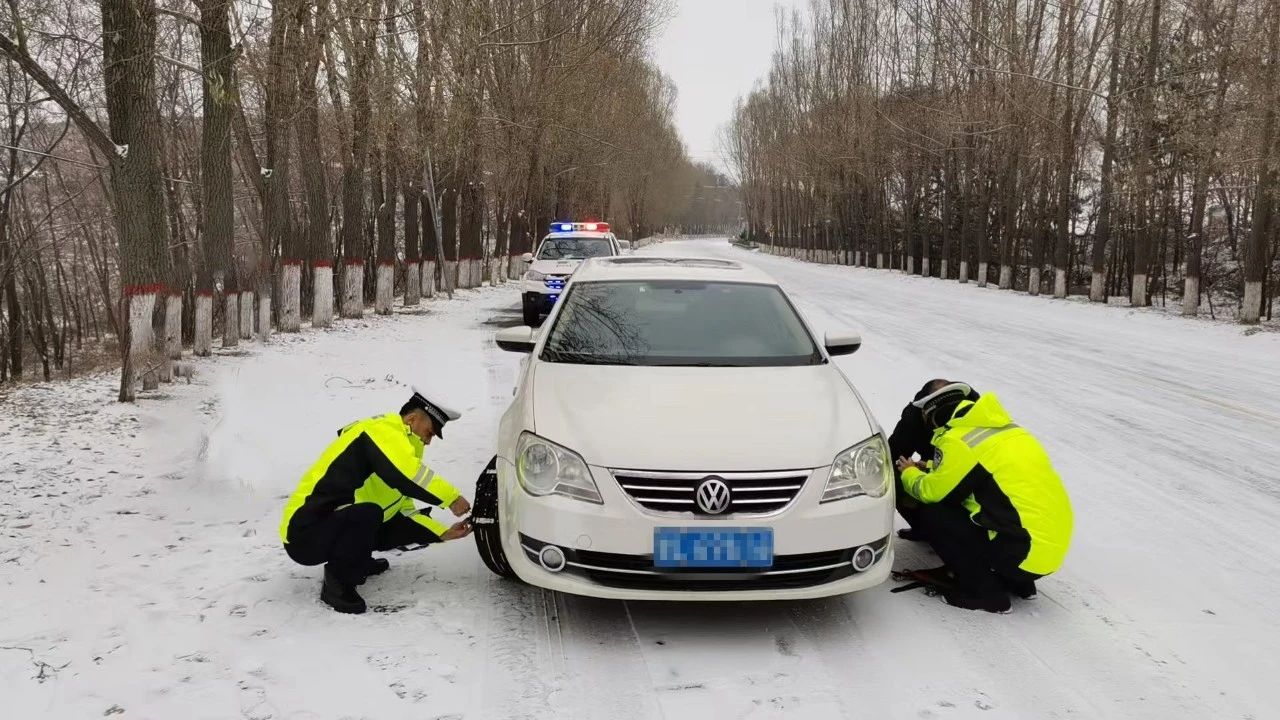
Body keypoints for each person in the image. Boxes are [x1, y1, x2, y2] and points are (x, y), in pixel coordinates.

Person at [280, 388, 475, 614]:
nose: (429, 441)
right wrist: (451, 498)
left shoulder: (391, 452)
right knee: (369, 514)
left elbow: (403, 509)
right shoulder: (382, 431)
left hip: (327, 526)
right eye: (430, 432)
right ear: (412, 419)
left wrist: (442, 533)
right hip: (303, 533)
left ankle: (357, 559)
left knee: (379, 516)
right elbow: (408, 475)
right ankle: (338, 583)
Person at [894, 380, 1073, 613]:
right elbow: (978, 471)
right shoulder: (1008, 431)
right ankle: (1019, 584)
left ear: (934, 414)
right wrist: (929, 466)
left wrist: (909, 472)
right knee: (997, 505)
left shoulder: (958, 439)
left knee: (934, 513)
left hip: (1019, 554)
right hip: (1046, 553)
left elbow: (932, 493)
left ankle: (985, 594)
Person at [887, 380, 980, 541]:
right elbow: (894, 455)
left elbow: (938, 490)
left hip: (981, 496)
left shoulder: (976, 414)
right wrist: (915, 469)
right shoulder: (914, 417)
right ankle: (923, 527)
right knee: (892, 476)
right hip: (940, 463)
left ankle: (953, 540)